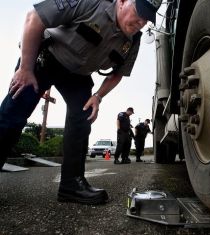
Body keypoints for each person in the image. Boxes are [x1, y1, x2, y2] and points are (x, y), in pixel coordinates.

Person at [0, 0, 162, 205]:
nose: (142, 21)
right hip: (46, 57)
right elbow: (35, 18)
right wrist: (25, 68)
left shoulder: (133, 39)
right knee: (14, 114)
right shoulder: (92, 3)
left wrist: (98, 96)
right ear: (121, 2)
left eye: (147, 18)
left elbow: (118, 74)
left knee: (83, 114)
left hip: (77, 75)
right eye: (139, 12)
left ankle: (71, 184)